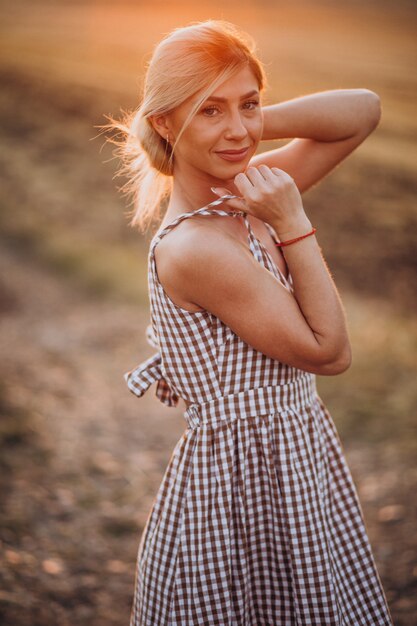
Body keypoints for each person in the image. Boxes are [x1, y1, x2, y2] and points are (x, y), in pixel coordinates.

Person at [103, 19, 394, 626]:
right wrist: (292, 220)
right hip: (242, 488)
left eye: (249, 104)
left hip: (292, 466)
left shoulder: (242, 194)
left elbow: (362, 110)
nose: (238, 130)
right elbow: (330, 352)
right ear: (164, 123)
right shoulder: (197, 248)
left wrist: (243, 121)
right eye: (208, 111)